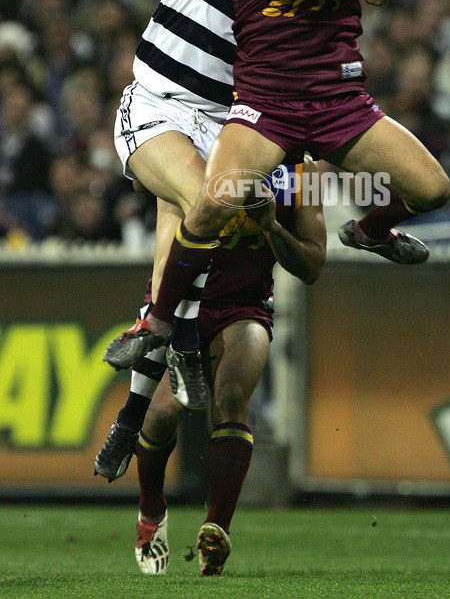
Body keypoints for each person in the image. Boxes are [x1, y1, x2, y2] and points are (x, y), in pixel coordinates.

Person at [104, 0, 450, 398]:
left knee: (434, 189)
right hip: (256, 107)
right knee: (210, 202)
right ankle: (161, 323)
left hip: (335, 101)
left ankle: (370, 230)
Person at [104, 156, 327, 578]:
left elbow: (313, 264)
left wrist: (272, 227)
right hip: (181, 300)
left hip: (245, 305)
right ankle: (152, 508)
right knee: (164, 413)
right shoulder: (198, 142)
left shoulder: (306, 173)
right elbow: (139, 179)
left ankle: (217, 529)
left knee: (230, 396)